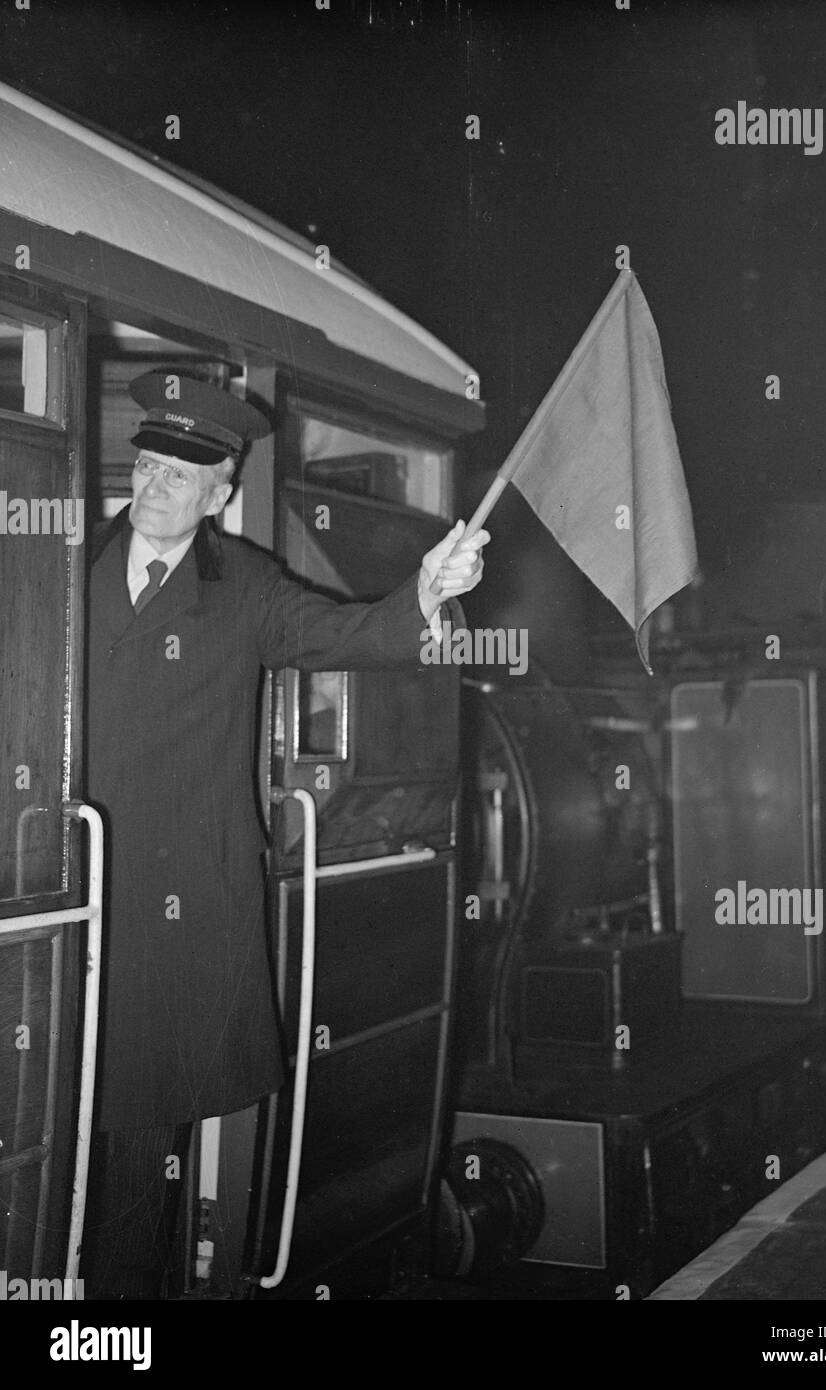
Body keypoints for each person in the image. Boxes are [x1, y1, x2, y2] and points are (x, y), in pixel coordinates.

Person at [81, 371, 489, 1296]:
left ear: (220, 494)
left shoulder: (248, 590)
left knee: (140, 1162)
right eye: (145, 467)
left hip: (175, 927)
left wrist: (427, 592)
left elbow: (351, 636)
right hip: (66, 899)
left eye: (177, 478)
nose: (152, 488)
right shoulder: (57, 570)